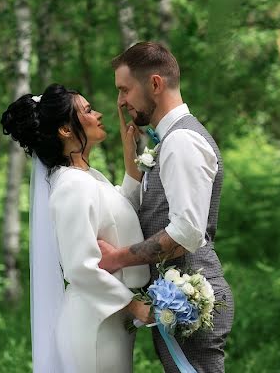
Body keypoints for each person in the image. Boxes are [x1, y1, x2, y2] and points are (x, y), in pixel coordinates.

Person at [99, 42, 234, 373]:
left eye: (124, 89)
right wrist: (131, 160)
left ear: (155, 84)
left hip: (193, 299)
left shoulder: (181, 142)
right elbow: (136, 210)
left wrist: (117, 258)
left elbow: (187, 231)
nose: (120, 102)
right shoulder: (166, 142)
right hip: (177, 297)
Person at [1, 83, 152, 373]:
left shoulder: (87, 176)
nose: (98, 114)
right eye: (87, 110)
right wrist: (135, 307)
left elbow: (122, 212)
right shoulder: (72, 186)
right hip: (94, 325)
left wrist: (129, 153)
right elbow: (79, 266)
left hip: (109, 318)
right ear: (65, 130)